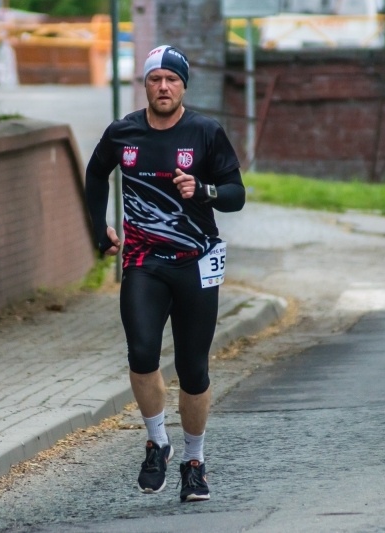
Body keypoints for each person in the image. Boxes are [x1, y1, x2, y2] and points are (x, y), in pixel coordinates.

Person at [84, 44, 245, 502]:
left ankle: (195, 462)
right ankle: (158, 442)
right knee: (141, 353)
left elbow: (237, 194)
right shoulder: (124, 133)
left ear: (183, 86)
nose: (163, 87)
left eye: (171, 80)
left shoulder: (205, 132)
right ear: (146, 85)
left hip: (196, 263)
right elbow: (96, 175)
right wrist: (100, 229)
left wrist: (205, 189)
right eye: (155, 79)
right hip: (142, 262)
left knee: (193, 370)